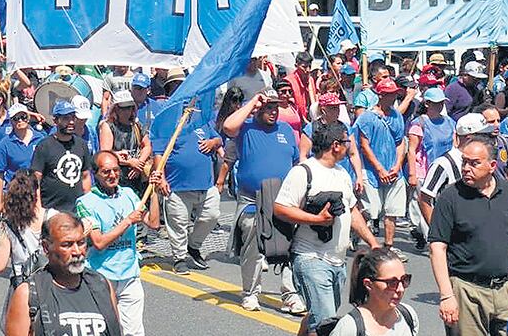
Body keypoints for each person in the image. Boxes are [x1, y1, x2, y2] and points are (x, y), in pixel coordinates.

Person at [273, 121, 379, 335]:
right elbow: (280, 208)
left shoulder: (341, 174)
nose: (350, 146)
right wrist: (317, 219)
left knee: (317, 317)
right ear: (336, 145)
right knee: (326, 323)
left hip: (337, 261)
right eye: (347, 141)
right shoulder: (303, 172)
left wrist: (373, 242)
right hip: (310, 258)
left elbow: (353, 212)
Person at [429, 135, 508, 336]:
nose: (466, 168)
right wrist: (447, 295)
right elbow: (437, 248)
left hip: (507, 290)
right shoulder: (450, 196)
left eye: (474, 163)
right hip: (467, 290)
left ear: (492, 165)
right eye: (464, 162)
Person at [220, 89, 304, 313]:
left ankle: (290, 295)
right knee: (253, 248)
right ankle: (250, 293)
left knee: (289, 247)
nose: (273, 111)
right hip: (252, 198)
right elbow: (227, 127)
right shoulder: (245, 128)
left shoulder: (285, 130)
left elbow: (296, 162)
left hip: (283, 198)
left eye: (275, 107)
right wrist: (254, 102)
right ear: (258, 109)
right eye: (268, 107)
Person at [76, 151, 160, 336]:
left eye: (115, 170)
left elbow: (153, 223)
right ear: (95, 173)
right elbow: (98, 242)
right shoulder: (85, 202)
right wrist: (127, 221)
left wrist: (154, 191)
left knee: (134, 332)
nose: (112, 175)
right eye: (106, 172)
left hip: (130, 274)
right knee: (105, 330)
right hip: (101, 277)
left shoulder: (129, 194)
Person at [0, 170, 55, 332]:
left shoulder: (9, 224)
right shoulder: (53, 217)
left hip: (22, 285)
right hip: (51, 284)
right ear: (37, 192)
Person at [5, 212, 122, 336]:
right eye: (67, 245)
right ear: (46, 247)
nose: (77, 251)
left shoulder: (101, 285)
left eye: (81, 243)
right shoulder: (29, 293)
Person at [152, 110, 221, 275]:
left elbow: (218, 139)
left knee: (211, 216)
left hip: (205, 183)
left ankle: (193, 246)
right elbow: (159, 152)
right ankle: (179, 258)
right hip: (178, 186)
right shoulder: (167, 122)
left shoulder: (203, 118)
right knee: (178, 224)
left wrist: (213, 143)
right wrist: (161, 178)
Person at [355, 78, 409, 261]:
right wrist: (379, 169)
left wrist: (397, 165)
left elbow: (400, 142)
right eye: (389, 94)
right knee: (371, 211)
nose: (393, 97)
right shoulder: (367, 117)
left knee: (392, 211)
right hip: (372, 172)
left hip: (394, 171)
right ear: (381, 95)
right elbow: (364, 145)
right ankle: (361, 237)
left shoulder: (397, 116)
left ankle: (388, 246)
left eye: (395, 93)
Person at [328, 248, 418, 336]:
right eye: (392, 283)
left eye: (404, 280)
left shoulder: (408, 315)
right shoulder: (349, 327)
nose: (401, 289)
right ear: (368, 284)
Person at [405, 87, 455, 249]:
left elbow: (455, 144)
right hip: (423, 170)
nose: (439, 105)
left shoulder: (449, 122)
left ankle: (425, 232)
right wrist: (412, 174)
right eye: (436, 103)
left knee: (441, 204)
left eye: (441, 102)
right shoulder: (419, 123)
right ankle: (430, 238)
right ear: (427, 103)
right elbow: (411, 150)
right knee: (424, 203)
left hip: (443, 169)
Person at [31, 101, 94, 213]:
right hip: (51, 210)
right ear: (55, 121)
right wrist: (38, 208)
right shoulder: (44, 146)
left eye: (73, 117)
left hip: (77, 210)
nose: (71, 122)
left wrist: (87, 204)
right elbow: (36, 180)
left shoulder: (81, 144)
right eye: (65, 118)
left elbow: (85, 176)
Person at [0, 103, 44, 214]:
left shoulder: (40, 138)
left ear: (28, 118)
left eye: (23, 117)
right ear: (11, 121)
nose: (20, 120)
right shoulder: (4, 144)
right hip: (15, 194)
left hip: (38, 193)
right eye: (16, 118)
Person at [99, 90, 152, 198]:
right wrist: (129, 162)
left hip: (138, 176)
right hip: (118, 176)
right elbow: (106, 153)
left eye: (129, 107)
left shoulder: (137, 125)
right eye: (123, 108)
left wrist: (139, 163)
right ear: (116, 109)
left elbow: (147, 145)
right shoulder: (108, 126)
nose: (127, 111)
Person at [287, 52, 318, 122]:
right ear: (296, 65)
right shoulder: (289, 81)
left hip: (309, 119)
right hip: (295, 119)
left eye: (310, 66)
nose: (308, 70)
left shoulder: (310, 80)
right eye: (304, 67)